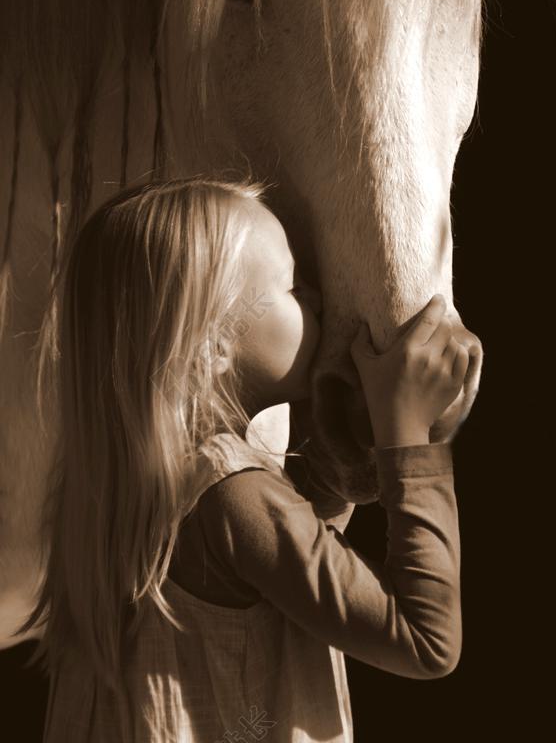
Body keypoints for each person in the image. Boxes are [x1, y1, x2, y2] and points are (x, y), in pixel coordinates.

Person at [23, 177, 473, 742]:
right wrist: (411, 437)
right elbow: (427, 640)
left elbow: (300, 568)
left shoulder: (120, 490)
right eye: (294, 287)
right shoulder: (234, 496)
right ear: (213, 347)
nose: (317, 299)